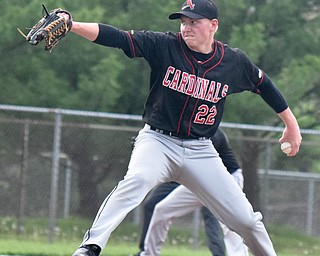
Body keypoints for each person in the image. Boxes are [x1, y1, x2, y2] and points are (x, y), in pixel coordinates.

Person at [63, 0, 301, 255]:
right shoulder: (165, 45)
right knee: (137, 180)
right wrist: (72, 25)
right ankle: (90, 246)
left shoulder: (233, 61)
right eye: (184, 21)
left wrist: (292, 125)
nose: (186, 27)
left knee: (247, 221)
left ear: (213, 25)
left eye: (194, 22)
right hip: (158, 142)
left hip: (201, 151)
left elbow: (263, 84)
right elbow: (118, 37)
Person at [135, 128, 248, 256]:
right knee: (162, 210)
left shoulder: (211, 133)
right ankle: (149, 254)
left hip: (227, 180)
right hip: (201, 181)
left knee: (231, 224)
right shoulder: (186, 131)